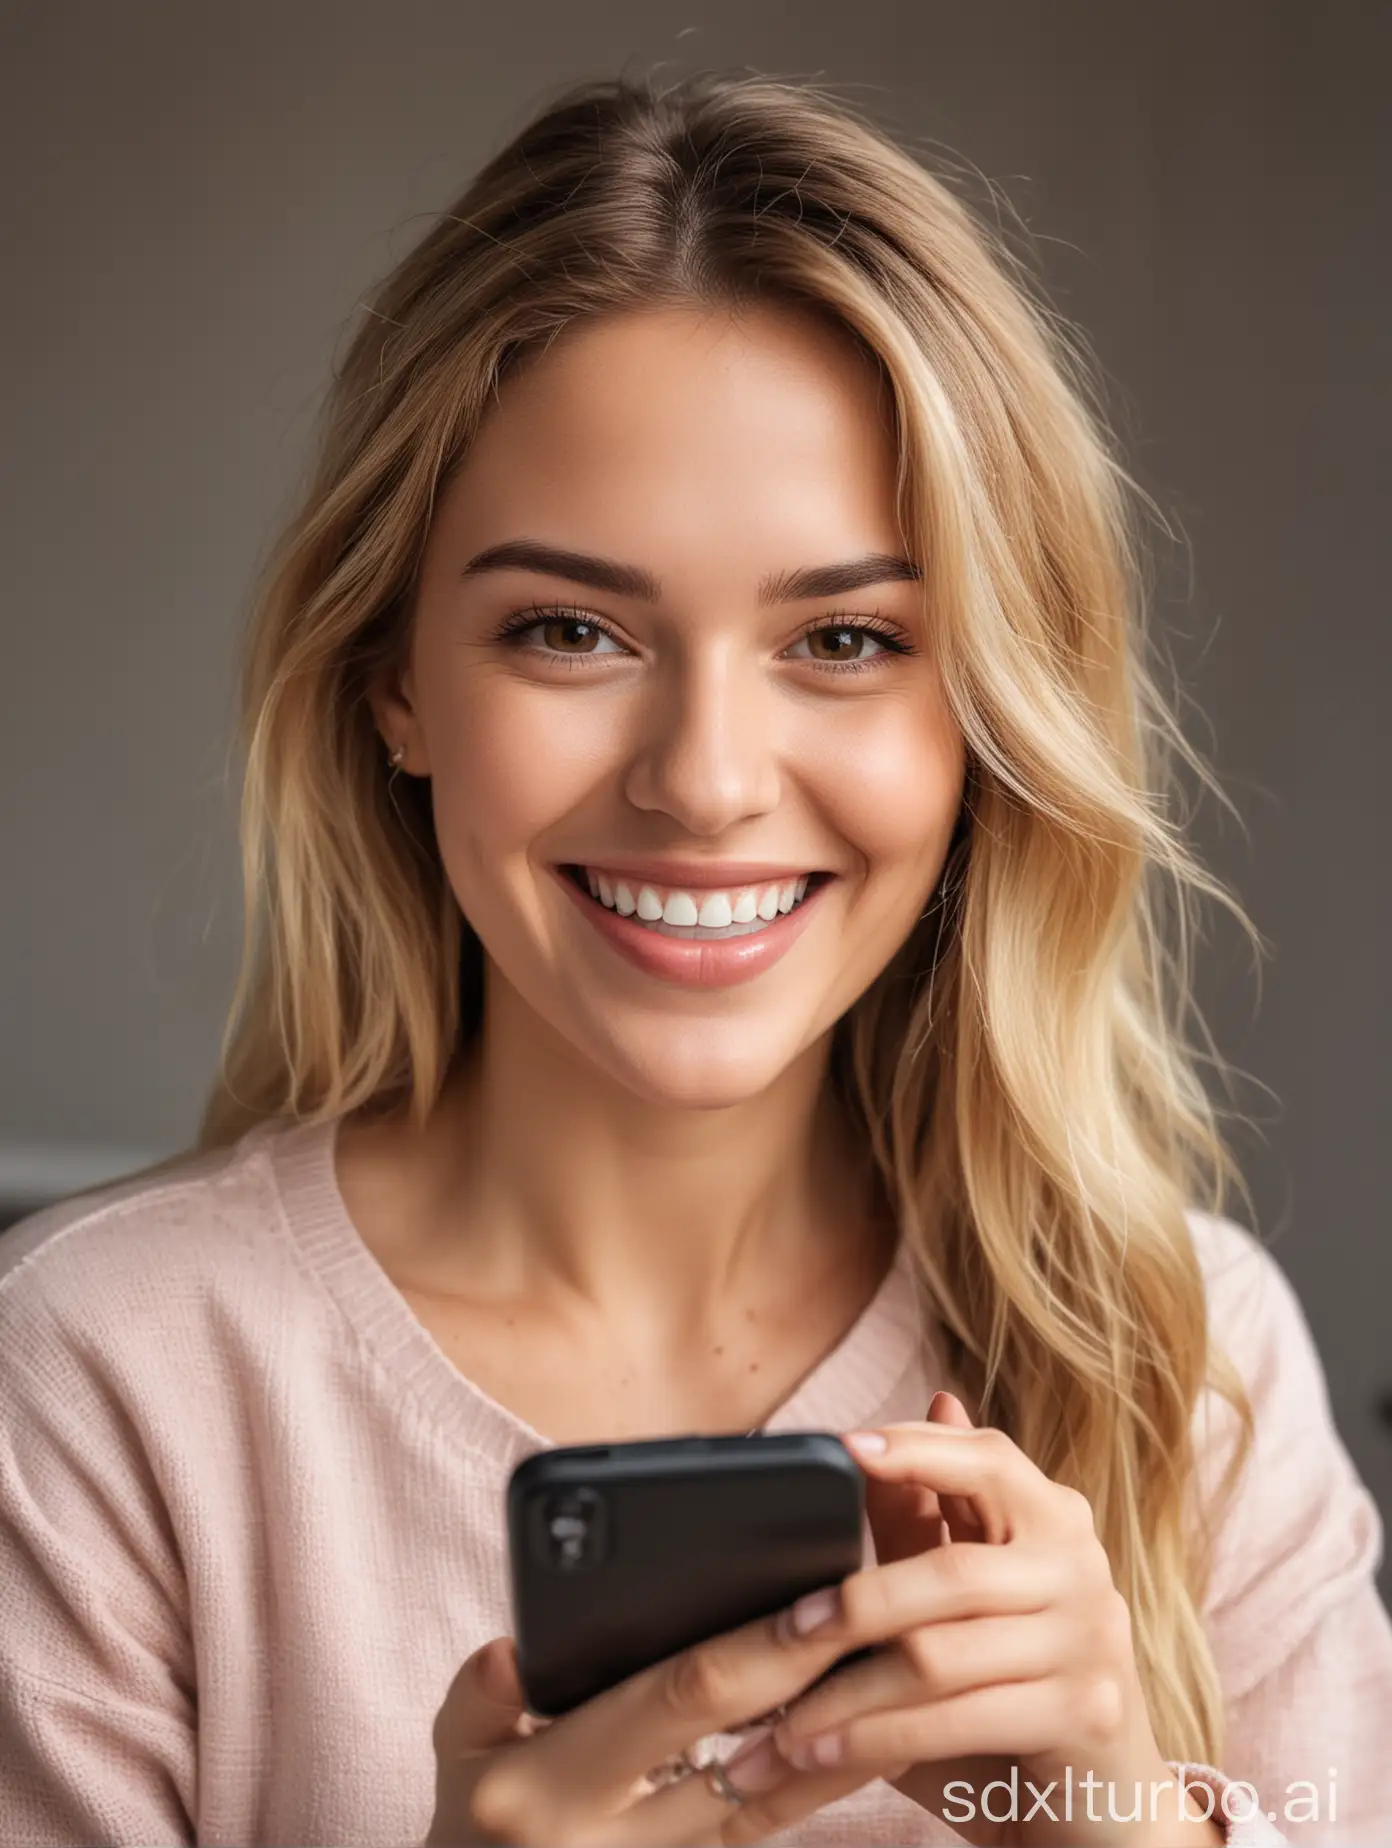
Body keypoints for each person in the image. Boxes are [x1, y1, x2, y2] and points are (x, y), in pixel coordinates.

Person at [1, 68, 1388, 1848]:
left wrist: (1125, 1823)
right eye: (570, 629)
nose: (707, 781)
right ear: (396, 683)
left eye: (845, 636)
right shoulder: (105, 1386)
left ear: (984, 716)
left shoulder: (1193, 1368)